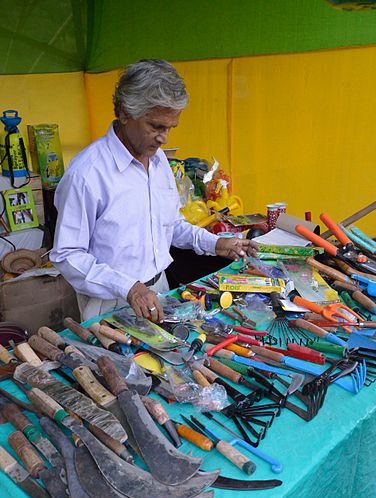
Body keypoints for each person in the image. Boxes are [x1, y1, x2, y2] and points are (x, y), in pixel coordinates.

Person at [50, 59, 258, 322]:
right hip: (109, 303)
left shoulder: (158, 161)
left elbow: (170, 225)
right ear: (125, 113)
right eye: (156, 126)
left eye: (170, 128)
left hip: (160, 288)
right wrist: (130, 288)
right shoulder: (87, 174)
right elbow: (68, 255)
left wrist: (215, 243)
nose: (164, 138)